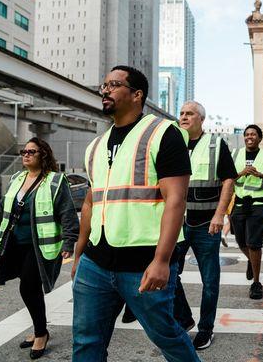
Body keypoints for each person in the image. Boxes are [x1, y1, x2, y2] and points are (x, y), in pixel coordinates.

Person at [71, 65, 200, 362]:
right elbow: (91, 203)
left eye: (114, 85)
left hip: (143, 263)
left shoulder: (162, 133)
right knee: (85, 342)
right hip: (96, 263)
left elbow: (176, 200)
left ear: (137, 94)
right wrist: (79, 255)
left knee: (166, 335)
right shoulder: (95, 147)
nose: (105, 91)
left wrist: (162, 261)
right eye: (104, 85)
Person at [0, 138, 79, 360]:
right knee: (29, 289)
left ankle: (41, 334)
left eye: (31, 152)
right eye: (24, 151)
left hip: (39, 245)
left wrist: (69, 241)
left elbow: (67, 213)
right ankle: (39, 329)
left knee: (28, 286)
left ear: (43, 154)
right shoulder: (17, 178)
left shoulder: (55, 181)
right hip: (15, 243)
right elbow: (2, 210)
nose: (26, 155)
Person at [172, 100, 236, 350]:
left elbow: (229, 181)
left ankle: (206, 328)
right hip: (177, 225)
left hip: (206, 224)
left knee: (209, 280)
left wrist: (220, 215)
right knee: (167, 274)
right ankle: (184, 318)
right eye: (181, 113)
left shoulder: (215, 144)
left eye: (189, 114)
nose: (184, 117)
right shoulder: (173, 145)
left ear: (201, 119)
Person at [230, 125, 263, 299]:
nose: (249, 137)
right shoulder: (235, 155)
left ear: (260, 138)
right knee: (240, 241)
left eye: (253, 134)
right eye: (247, 134)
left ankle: (256, 283)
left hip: (259, 204)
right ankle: (251, 261)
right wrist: (241, 173)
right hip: (239, 204)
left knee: (254, 243)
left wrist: (262, 175)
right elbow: (226, 179)